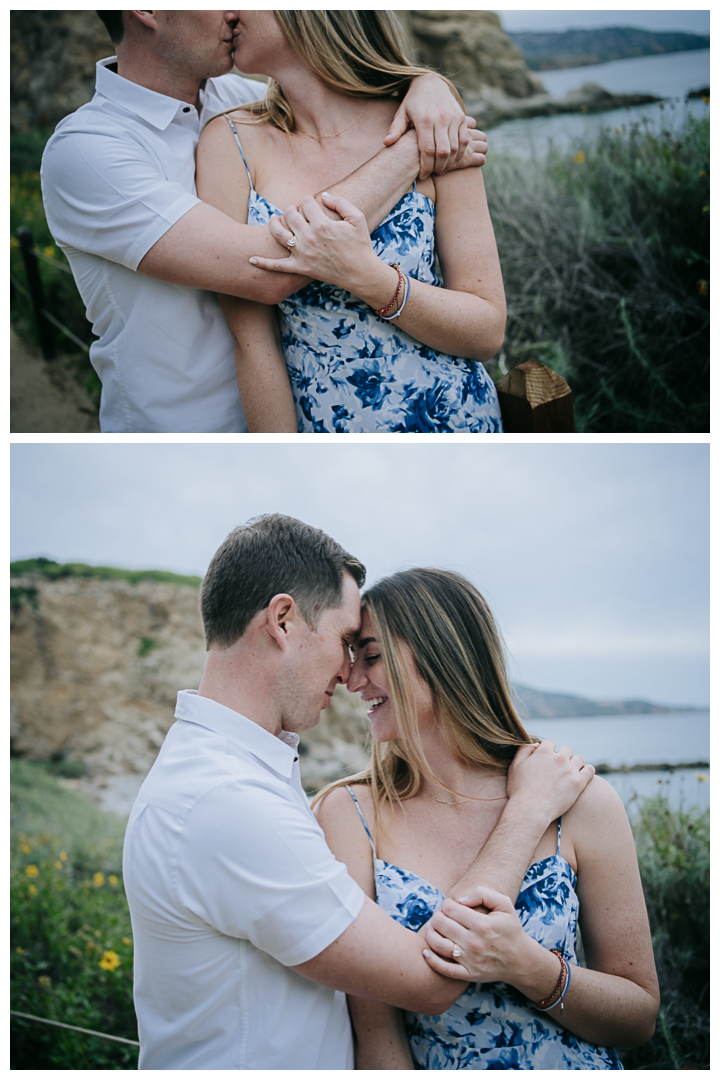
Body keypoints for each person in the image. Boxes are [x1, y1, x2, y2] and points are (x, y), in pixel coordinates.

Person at [123, 514, 595, 1069]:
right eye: (348, 641)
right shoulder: (226, 799)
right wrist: (528, 812)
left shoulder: (233, 775)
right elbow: (429, 981)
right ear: (282, 620)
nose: (349, 674)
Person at [40, 11, 488, 433]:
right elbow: (266, 269)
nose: (235, 10)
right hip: (191, 432)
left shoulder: (240, 100)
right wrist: (409, 153)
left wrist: (430, 86)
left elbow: (332, 89)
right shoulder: (87, 151)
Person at [313, 567, 660, 1070]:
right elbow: (376, 1035)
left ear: (442, 654)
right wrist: (527, 811)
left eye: (371, 655)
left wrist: (532, 969)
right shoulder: (350, 816)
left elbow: (638, 1017)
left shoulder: (582, 802)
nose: (349, 679)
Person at [197, 11, 507, 433]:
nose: (229, 11)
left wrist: (370, 278)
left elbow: (486, 330)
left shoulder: (432, 127)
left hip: (454, 423)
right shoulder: (229, 142)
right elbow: (255, 348)